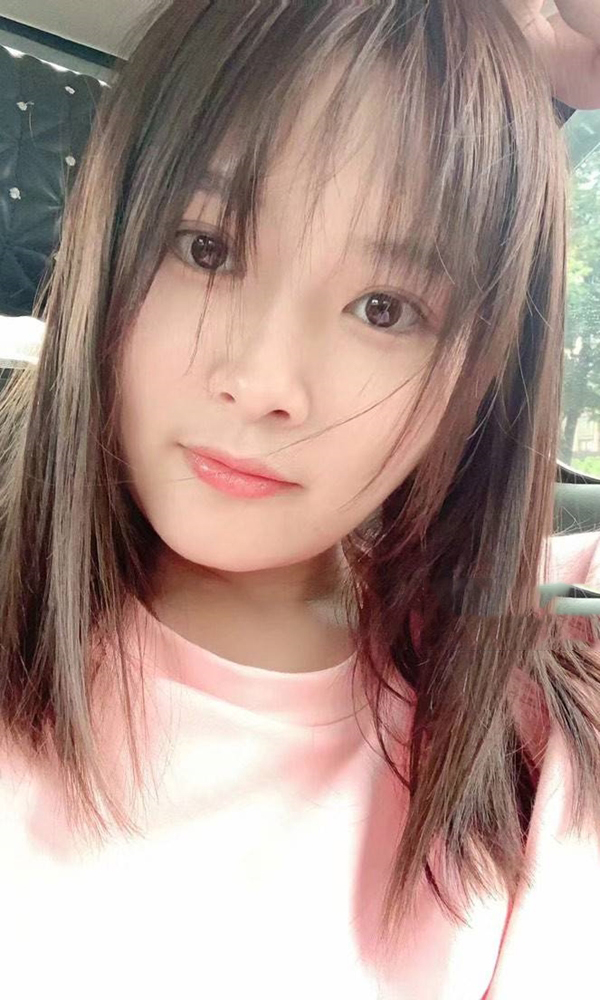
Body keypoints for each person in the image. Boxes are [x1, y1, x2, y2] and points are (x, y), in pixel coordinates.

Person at [0, 1, 599, 997]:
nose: (262, 381)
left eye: (385, 310)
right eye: (205, 248)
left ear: (480, 373)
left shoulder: (536, 723)